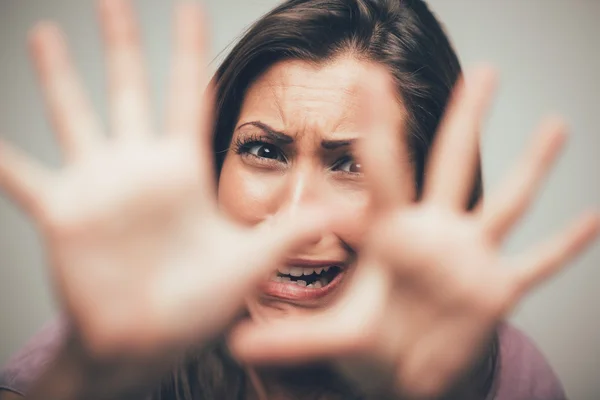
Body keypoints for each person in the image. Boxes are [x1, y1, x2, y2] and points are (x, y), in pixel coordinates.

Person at [0, 0, 598, 399]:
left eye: (351, 164)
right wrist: (85, 377)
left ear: (425, 194)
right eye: (264, 151)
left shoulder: (506, 374)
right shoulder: (115, 335)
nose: (294, 214)